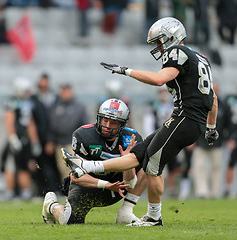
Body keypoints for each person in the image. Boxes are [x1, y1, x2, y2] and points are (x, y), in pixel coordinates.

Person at [62, 17, 219, 226]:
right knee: (141, 153)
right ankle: (86, 165)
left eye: (160, 42)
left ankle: (154, 217)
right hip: (191, 119)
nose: (158, 47)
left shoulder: (178, 53)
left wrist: (125, 71)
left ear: (172, 37)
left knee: (153, 164)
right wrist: (210, 126)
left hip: (185, 118)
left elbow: (159, 79)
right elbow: (213, 98)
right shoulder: (200, 58)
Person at [42, 98, 147, 225]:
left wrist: (127, 162)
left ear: (122, 124)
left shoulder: (131, 138)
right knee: (69, 221)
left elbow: (130, 183)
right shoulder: (84, 136)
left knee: (149, 163)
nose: (107, 126)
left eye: (113, 123)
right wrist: (106, 185)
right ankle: (51, 205)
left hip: (118, 187)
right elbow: (76, 177)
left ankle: (126, 211)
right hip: (87, 186)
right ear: (99, 118)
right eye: (105, 120)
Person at [2, 76, 41, 200]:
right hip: (16, 138)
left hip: (25, 139)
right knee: (11, 165)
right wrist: (12, 137)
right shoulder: (11, 102)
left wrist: (35, 141)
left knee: (25, 166)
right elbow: (9, 120)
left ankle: (25, 191)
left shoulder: (28, 102)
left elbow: (30, 123)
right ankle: (9, 192)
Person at [192, 82, 231, 199]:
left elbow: (229, 124)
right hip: (200, 141)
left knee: (217, 167)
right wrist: (191, 139)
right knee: (199, 166)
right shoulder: (199, 104)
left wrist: (230, 139)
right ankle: (202, 191)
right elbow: (194, 122)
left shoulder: (224, 105)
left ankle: (215, 192)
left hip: (218, 143)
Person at [45, 84, 88, 182]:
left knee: (74, 168)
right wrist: (50, 141)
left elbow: (84, 125)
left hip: (73, 143)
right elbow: (51, 125)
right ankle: (67, 189)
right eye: (63, 91)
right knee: (62, 168)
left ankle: (76, 189)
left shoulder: (79, 107)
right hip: (59, 143)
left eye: (67, 91)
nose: (65, 94)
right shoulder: (55, 106)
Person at [143, 88, 181, 198]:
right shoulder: (153, 107)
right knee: (154, 166)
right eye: (162, 93)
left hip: (171, 140)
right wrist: (152, 138)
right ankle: (154, 189)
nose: (164, 95)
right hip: (157, 139)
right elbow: (148, 123)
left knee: (173, 166)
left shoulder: (174, 106)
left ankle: (172, 189)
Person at [30, 73, 61, 196]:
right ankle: (41, 191)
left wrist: (51, 140)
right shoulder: (33, 99)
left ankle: (54, 189)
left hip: (53, 138)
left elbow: (55, 121)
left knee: (54, 166)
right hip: (39, 138)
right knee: (40, 167)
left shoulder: (55, 99)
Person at [224, 92, 237, 198]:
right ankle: (228, 188)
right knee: (231, 163)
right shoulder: (231, 100)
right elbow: (228, 120)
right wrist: (230, 137)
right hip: (233, 138)